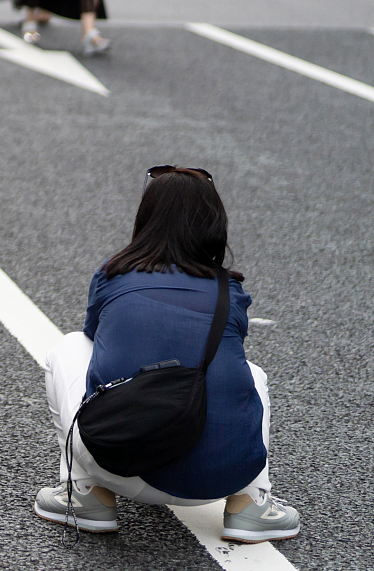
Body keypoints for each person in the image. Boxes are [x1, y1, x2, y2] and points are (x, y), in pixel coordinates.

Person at [36, 167, 298, 543]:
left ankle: (86, 496)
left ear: (146, 220)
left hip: (120, 464)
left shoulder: (113, 275)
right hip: (222, 477)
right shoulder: (230, 290)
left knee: (71, 347)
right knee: (250, 373)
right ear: (214, 225)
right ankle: (251, 505)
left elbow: (96, 338)